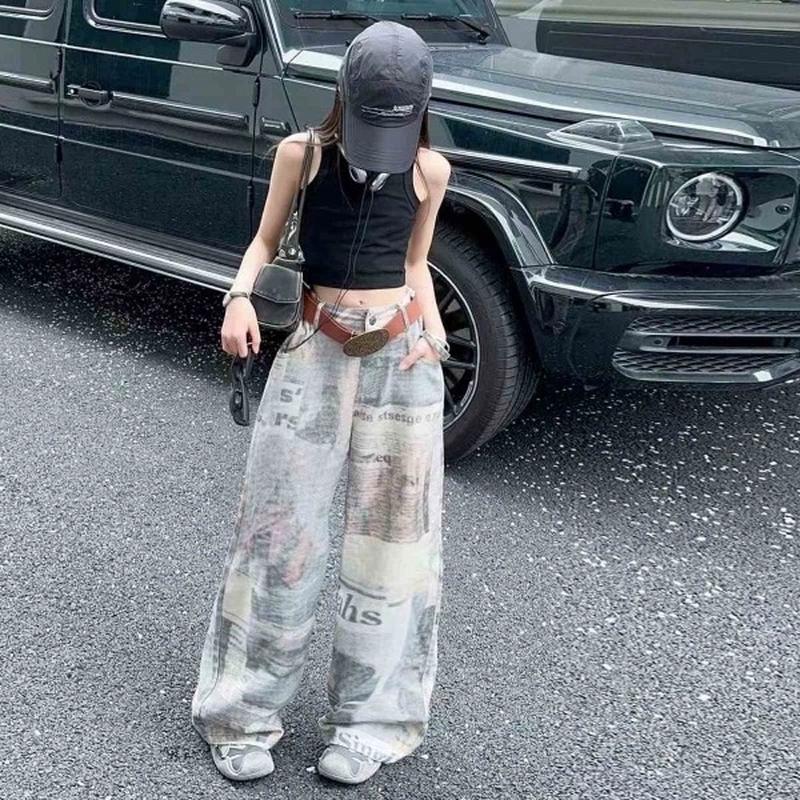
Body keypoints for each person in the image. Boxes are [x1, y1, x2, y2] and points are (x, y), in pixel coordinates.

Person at [189, 20, 452, 786]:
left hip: (401, 356)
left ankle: (370, 724)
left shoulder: (430, 170)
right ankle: (241, 713)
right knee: (278, 532)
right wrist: (239, 297)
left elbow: (416, 264)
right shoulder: (301, 156)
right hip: (316, 346)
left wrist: (435, 338)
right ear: (345, 99)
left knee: (396, 545)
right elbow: (264, 242)